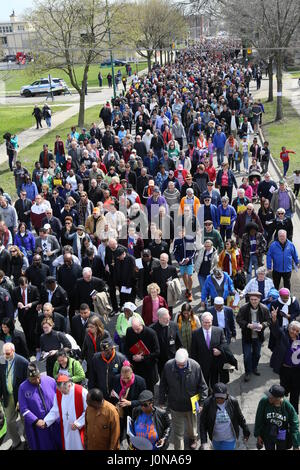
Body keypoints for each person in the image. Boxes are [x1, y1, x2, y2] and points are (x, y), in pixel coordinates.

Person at [159, 348, 208, 450]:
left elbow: (203, 386)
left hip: (191, 405)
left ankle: (193, 438)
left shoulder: (195, 366)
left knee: (192, 429)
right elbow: (163, 385)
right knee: (178, 433)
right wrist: (161, 401)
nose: (180, 366)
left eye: (183, 364)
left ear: (187, 359)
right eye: (178, 364)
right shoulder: (168, 366)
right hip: (175, 406)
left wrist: (202, 403)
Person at [18, 363, 61, 450]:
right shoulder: (23, 387)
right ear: (28, 378)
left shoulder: (50, 380)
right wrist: (36, 421)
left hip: (55, 423)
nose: (37, 380)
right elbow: (23, 409)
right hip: (38, 427)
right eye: (33, 379)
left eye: (38, 377)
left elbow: (60, 399)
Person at [200, 382, 250, 450]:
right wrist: (204, 442)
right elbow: (203, 423)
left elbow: (240, 418)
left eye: (222, 397)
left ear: (227, 395)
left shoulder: (233, 402)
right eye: (218, 397)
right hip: (215, 439)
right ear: (213, 395)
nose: (220, 399)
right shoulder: (207, 404)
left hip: (229, 439)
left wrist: (246, 431)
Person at [43, 374, 88, 450]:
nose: (62, 394)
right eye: (60, 391)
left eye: (64, 391)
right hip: (66, 428)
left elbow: (89, 410)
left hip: (79, 429)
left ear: (69, 385)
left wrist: (79, 423)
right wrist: (46, 421)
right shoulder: (59, 393)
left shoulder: (81, 392)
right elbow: (55, 410)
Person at [269, 308, 300, 414]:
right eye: (293, 329)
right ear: (289, 328)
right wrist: (274, 319)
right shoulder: (283, 334)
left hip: (297, 371)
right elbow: (275, 330)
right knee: (283, 391)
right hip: (285, 369)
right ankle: (281, 410)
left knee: (296, 393)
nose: (294, 332)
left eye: (297, 331)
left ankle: (294, 413)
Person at [236, 292, 270, 382]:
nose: (253, 301)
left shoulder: (264, 308)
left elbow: (268, 321)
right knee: (247, 356)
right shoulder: (243, 308)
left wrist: (262, 325)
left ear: (259, 299)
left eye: (255, 299)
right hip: (247, 336)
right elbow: (238, 319)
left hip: (258, 336)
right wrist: (247, 325)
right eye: (251, 299)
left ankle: (254, 368)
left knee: (257, 354)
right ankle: (248, 372)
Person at [0, 343, 28, 450]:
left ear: (13, 351)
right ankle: (16, 441)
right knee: (9, 421)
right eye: (3, 353)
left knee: (24, 419)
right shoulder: (2, 360)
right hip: (7, 395)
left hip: (20, 396)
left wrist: (23, 399)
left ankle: (27, 440)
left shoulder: (23, 362)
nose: (5, 356)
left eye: (7, 353)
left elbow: (27, 383)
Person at [254, 384, 300, 450]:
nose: (268, 397)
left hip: (282, 434)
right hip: (268, 433)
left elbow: (294, 425)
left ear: (278, 398)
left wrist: (296, 444)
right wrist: (258, 435)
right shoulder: (264, 402)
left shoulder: (288, 406)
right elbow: (258, 419)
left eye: (271, 396)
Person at [191, 311, 228, 390]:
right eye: (205, 322)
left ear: (212, 321)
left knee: (215, 384)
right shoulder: (195, 333)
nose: (207, 324)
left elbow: (224, 344)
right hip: (202, 365)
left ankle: (214, 397)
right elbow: (193, 351)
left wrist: (220, 351)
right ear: (201, 322)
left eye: (209, 322)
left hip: (216, 364)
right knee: (204, 385)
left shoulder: (219, 331)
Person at [125, 317, 160, 393]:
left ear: (142, 325)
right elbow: (126, 347)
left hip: (148, 367)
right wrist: (132, 356)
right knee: (137, 387)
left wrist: (142, 358)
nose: (136, 331)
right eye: (134, 329)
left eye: (138, 329)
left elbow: (157, 352)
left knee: (149, 389)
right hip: (136, 366)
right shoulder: (129, 331)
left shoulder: (151, 333)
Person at [12, 276, 40, 355]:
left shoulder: (34, 289)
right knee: (26, 332)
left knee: (32, 332)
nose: (24, 288)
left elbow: (38, 300)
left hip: (32, 313)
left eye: (25, 287)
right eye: (22, 287)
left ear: (27, 283)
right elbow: (13, 301)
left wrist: (31, 304)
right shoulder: (15, 290)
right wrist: (18, 303)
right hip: (22, 315)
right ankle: (27, 348)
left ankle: (33, 349)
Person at [151, 308, 182, 376]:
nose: (168, 320)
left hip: (173, 358)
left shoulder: (174, 325)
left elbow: (179, 342)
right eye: (165, 318)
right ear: (159, 318)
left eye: (168, 317)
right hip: (160, 360)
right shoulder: (152, 329)